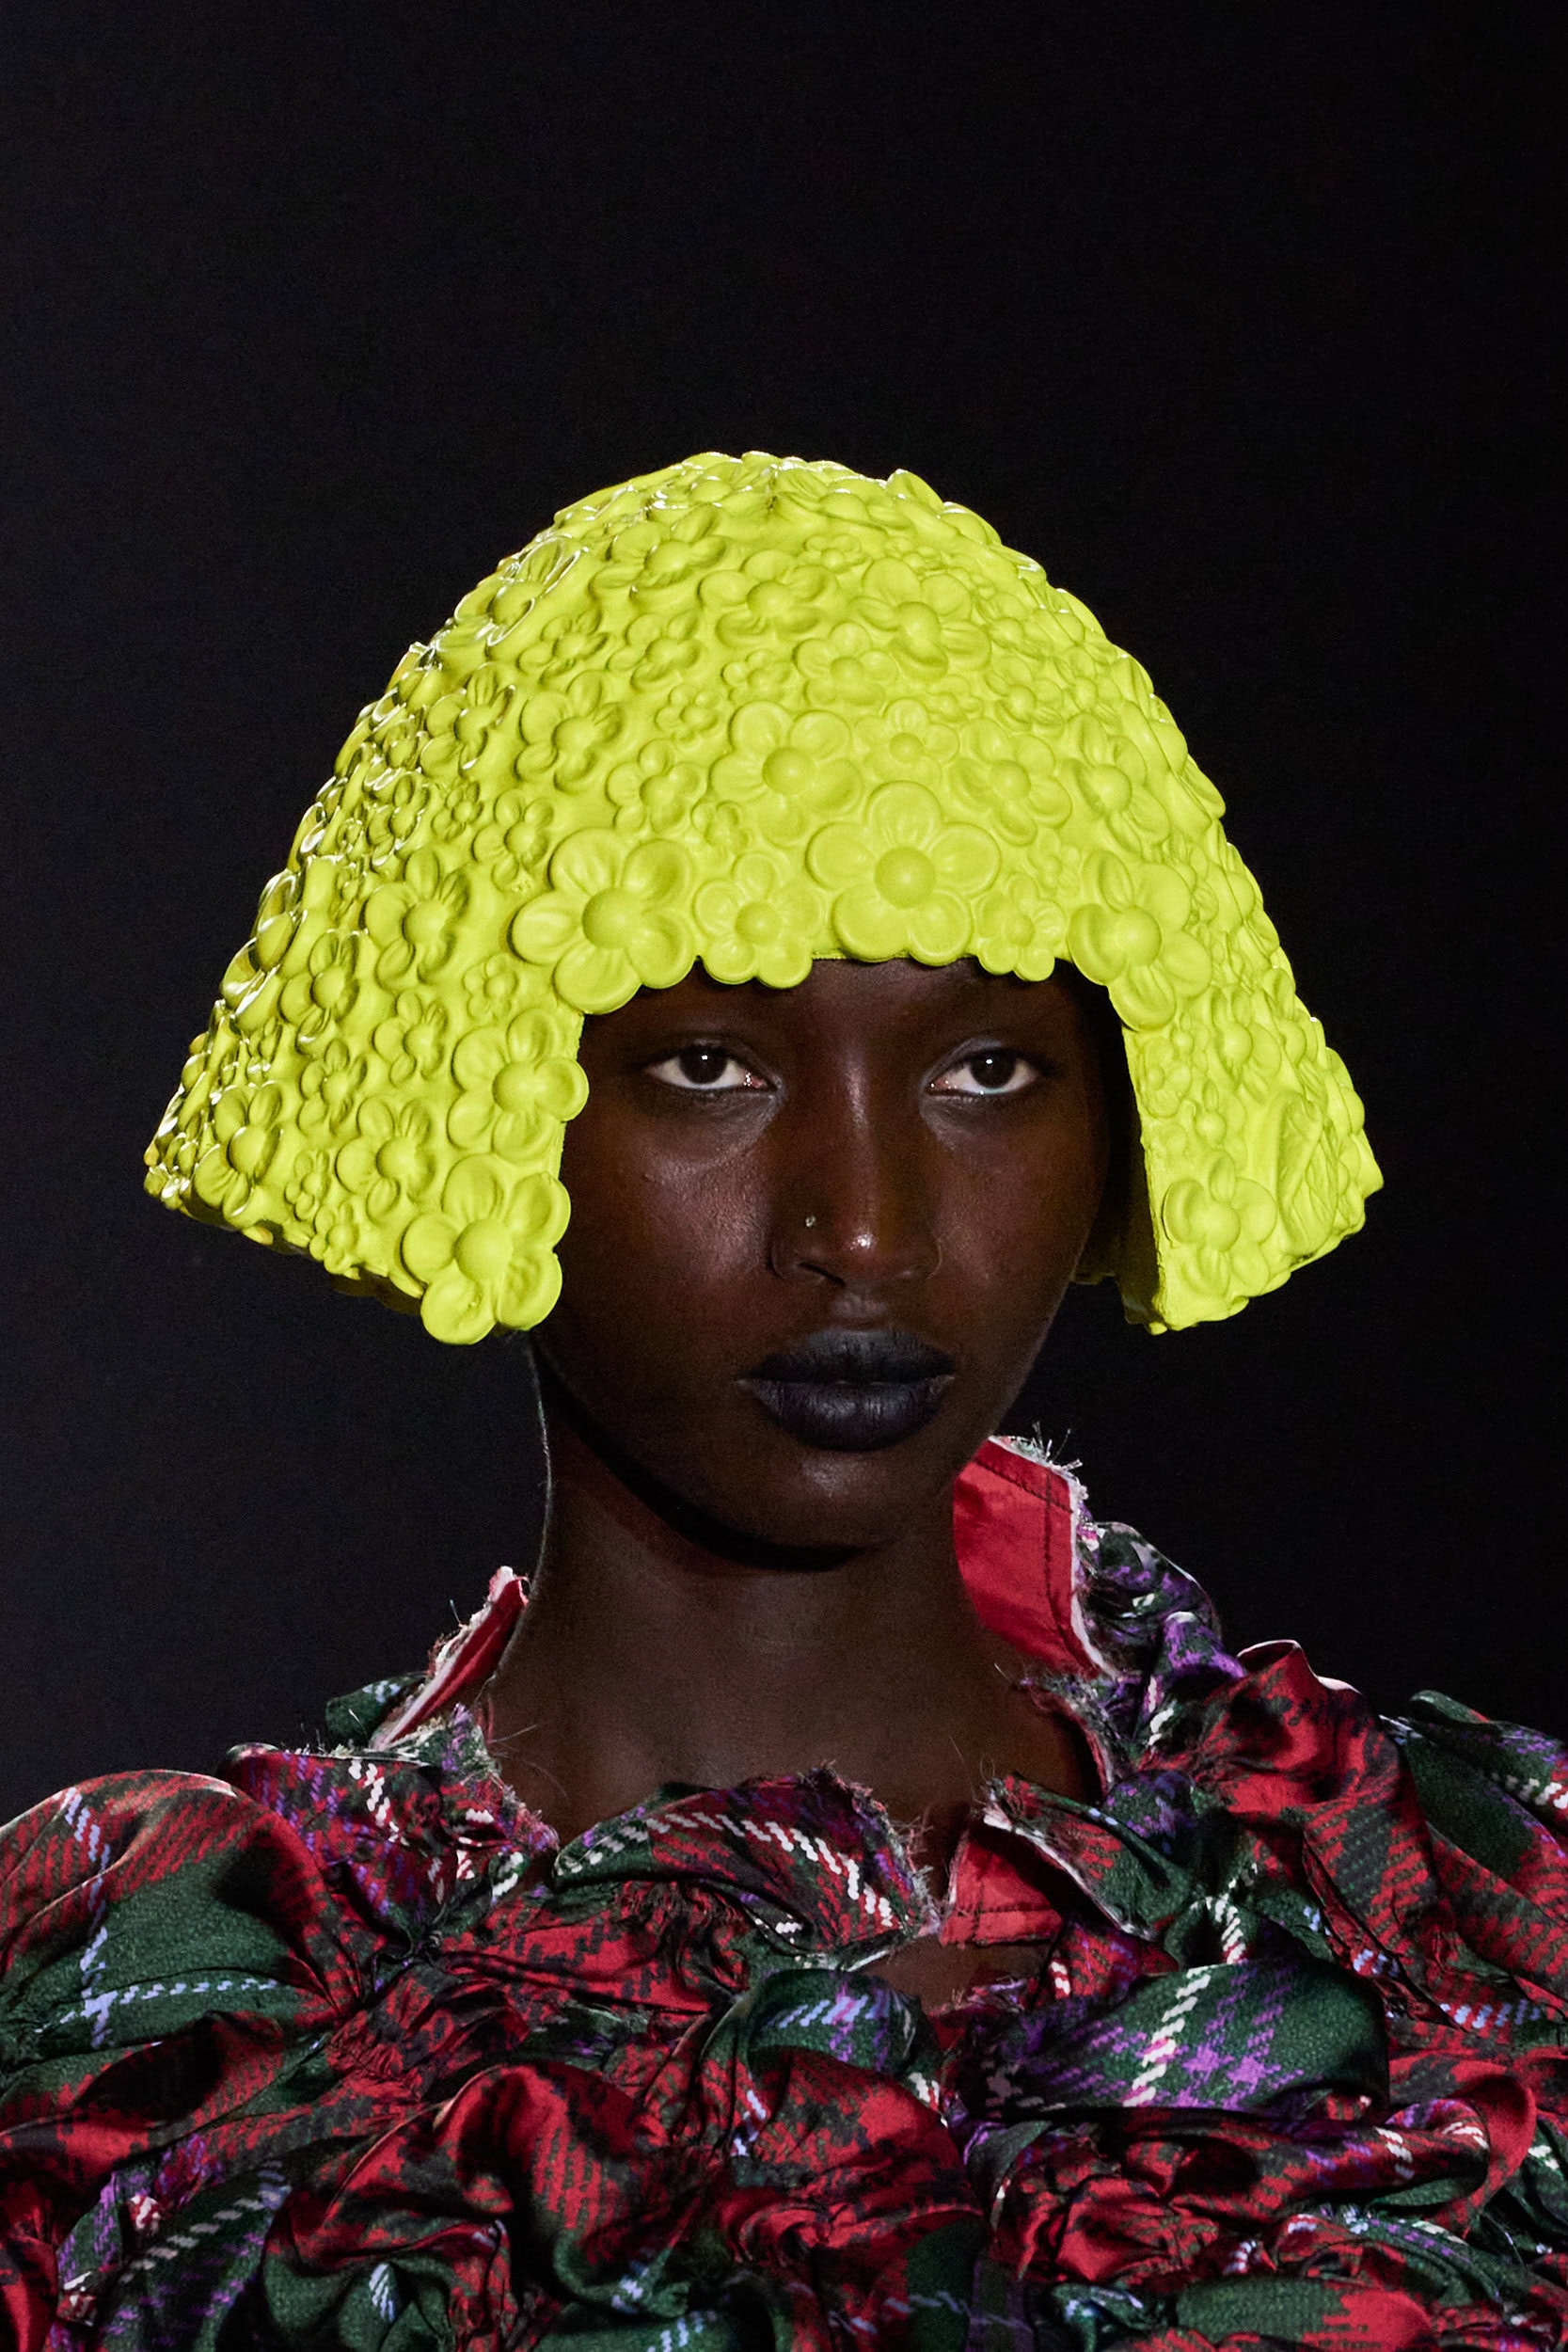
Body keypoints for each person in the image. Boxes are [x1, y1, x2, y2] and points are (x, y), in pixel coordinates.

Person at [2, 453, 1562, 2349]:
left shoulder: (1464, 1915)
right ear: (482, 1099)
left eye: (988, 1069)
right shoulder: (166, 2032)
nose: (867, 1228)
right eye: (709, 1066)